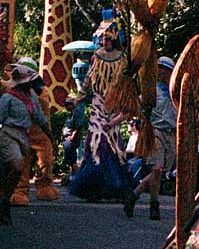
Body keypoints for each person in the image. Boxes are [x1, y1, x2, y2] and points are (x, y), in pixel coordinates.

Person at [69, 24, 133, 202]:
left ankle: (113, 187)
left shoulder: (122, 58)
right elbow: (89, 79)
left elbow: (126, 80)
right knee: (97, 143)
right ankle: (95, 187)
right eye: (103, 39)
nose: (105, 42)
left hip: (114, 103)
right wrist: (79, 97)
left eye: (109, 39)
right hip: (98, 103)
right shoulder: (96, 57)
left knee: (112, 142)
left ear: (114, 40)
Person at [123, 56, 177, 221]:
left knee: (161, 172)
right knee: (157, 168)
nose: (161, 72)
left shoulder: (177, 92)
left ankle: (134, 195)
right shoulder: (151, 90)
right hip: (156, 131)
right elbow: (136, 107)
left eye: (165, 69)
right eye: (159, 68)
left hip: (172, 134)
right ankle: (154, 205)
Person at [0, 62, 54, 225]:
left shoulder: (32, 99)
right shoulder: (7, 98)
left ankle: (4, 201)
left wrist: (51, 139)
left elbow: (41, 119)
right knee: (17, 166)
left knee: (15, 171)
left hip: (24, 136)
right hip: (9, 135)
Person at [9, 58, 60, 206]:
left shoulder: (39, 91)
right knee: (22, 165)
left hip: (40, 136)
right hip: (23, 134)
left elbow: (40, 112)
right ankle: (20, 191)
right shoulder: (14, 91)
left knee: (46, 162)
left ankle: (45, 186)